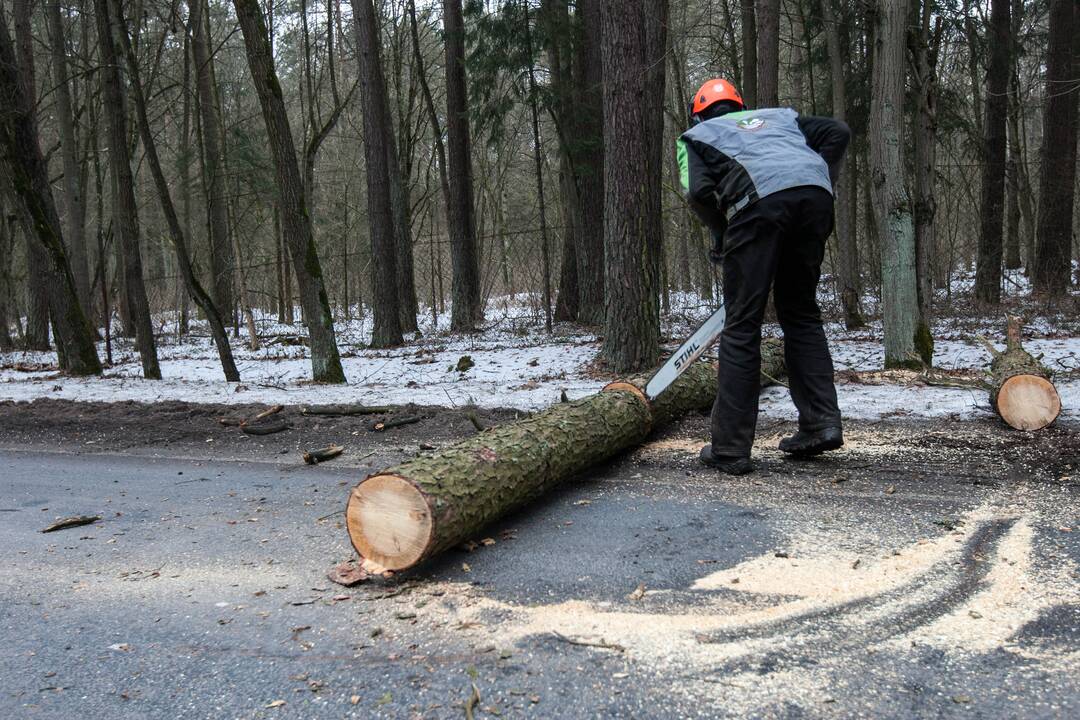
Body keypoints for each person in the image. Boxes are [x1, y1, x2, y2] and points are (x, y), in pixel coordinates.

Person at [676, 78, 850, 475]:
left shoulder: (696, 135)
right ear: (741, 106)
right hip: (814, 200)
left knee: (741, 325)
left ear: (698, 113)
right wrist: (816, 176)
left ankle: (730, 448)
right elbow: (838, 132)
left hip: (757, 208)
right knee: (802, 312)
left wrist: (722, 234)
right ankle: (821, 422)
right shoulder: (780, 118)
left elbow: (698, 192)